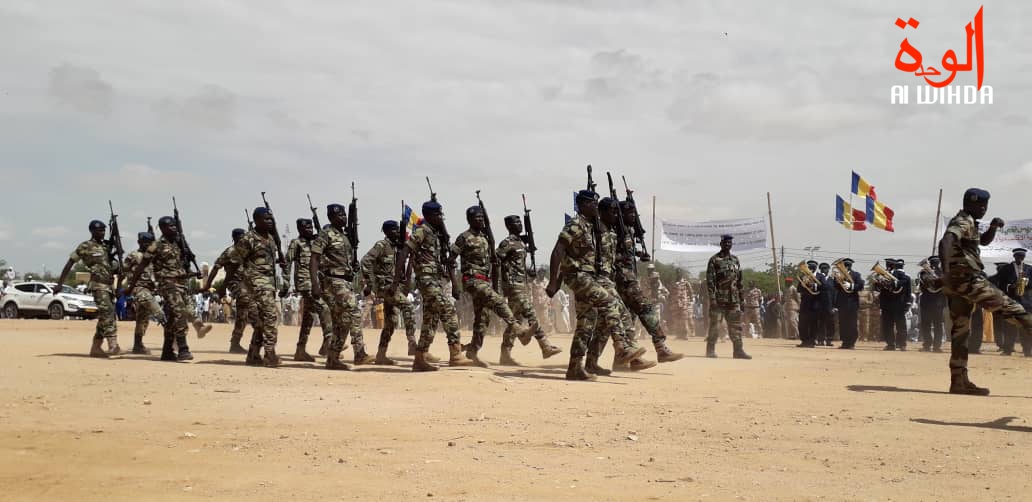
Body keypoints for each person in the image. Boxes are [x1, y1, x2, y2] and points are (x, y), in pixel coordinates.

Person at [938, 188, 1032, 395]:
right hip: (968, 280)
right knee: (1017, 312)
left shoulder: (970, 222)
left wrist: (993, 228)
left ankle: (959, 381)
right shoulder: (963, 221)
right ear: (968, 204)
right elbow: (946, 241)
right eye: (979, 205)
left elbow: (983, 241)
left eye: (985, 205)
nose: (983, 208)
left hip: (957, 284)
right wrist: (946, 272)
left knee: (960, 331)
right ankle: (959, 380)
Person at [545, 190, 642, 381]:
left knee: (586, 323)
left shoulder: (592, 227)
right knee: (609, 302)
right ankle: (621, 347)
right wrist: (553, 281)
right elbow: (558, 251)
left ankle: (574, 368)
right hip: (578, 275)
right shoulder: (575, 224)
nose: (596, 207)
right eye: (592, 204)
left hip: (590, 277)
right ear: (582, 205)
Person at [395, 199, 477, 371]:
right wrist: (397, 280)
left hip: (435, 280)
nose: (441, 217)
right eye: (438, 214)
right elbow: (405, 252)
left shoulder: (434, 233)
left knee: (430, 320)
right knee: (448, 310)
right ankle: (455, 353)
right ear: (429, 215)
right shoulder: (422, 231)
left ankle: (419, 358)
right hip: (426, 280)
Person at [124, 216, 212, 362]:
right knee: (179, 312)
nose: (174, 228)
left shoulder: (178, 244)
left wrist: (192, 273)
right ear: (162, 228)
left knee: (171, 318)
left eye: (174, 225)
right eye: (170, 226)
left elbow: (179, 268)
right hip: (167, 284)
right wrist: (131, 287)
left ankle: (167, 352)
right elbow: (141, 267)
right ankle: (183, 349)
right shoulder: (156, 246)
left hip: (181, 284)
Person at [611, 201, 682, 363]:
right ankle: (661, 348)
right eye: (629, 213)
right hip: (624, 280)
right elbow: (611, 254)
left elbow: (626, 251)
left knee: (628, 319)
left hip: (628, 278)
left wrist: (638, 254)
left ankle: (628, 359)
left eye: (634, 213)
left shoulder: (628, 231)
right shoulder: (616, 231)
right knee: (646, 308)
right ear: (621, 215)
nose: (633, 216)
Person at [360, 220, 440, 365]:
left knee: (391, 322)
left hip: (394, 287)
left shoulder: (396, 247)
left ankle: (381, 354)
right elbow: (365, 261)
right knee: (408, 307)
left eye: (398, 229)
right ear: (387, 231)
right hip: (385, 287)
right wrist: (370, 283)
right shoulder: (381, 245)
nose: (398, 232)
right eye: (395, 230)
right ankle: (412, 343)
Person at [311, 204, 373, 370]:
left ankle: (332, 358)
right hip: (333, 281)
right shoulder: (326, 234)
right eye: (340, 215)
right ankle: (360, 353)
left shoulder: (345, 237)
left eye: (345, 214)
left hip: (345, 281)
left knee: (343, 321)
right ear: (331, 218)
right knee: (354, 311)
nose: (344, 217)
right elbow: (314, 258)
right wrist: (315, 284)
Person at [495, 215, 562, 365]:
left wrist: (527, 271)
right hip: (513, 285)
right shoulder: (507, 243)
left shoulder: (520, 242)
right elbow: (496, 260)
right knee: (531, 313)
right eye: (516, 222)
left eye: (520, 221)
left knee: (516, 320)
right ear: (508, 226)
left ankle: (505, 354)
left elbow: (517, 264)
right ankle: (545, 346)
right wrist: (502, 280)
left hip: (522, 284)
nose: (519, 224)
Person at [225, 208, 287, 367]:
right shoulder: (248, 239)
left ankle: (253, 354)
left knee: (261, 321)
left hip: (269, 284)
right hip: (255, 283)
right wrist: (224, 285)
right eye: (266, 219)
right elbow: (233, 263)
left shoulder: (270, 238)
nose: (270, 222)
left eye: (271, 219)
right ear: (257, 220)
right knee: (271, 316)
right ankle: (270, 354)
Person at [53, 220, 122, 357]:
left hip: (109, 285)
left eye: (104, 230)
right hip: (98, 285)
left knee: (105, 316)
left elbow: (114, 266)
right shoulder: (85, 246)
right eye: (99, 230)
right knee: (107, 312)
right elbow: (69, 264)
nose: (102, 233)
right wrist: (60, 284)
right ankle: (113, 344)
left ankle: (96, 347)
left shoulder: (107, 246)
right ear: (91, 231)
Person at [286, 218, 334, 362]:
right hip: (305, 283)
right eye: (306, 227)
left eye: (311, 226)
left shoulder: (315, 243)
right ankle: (329, 340)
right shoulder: (296, 243)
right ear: (299, 229)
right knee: (323, 308)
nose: (309, 229)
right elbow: (287, 262)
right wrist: (285, 283)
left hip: (315, 282)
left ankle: (300, 350)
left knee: (308, 317)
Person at [704, 234, 751, 359]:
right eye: (725, 243)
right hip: (719, 299)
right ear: (721, 244)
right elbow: (710, 281)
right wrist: (712, 299)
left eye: (729, 243)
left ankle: (738, 351)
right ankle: (710, 350)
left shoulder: (735, 260)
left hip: (733, 300)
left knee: (736, 326)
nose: (727, 245)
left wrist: (742, 300)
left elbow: (740, 282)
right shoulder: (714, 260)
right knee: (715, 326)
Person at [204, 229, 250, 353]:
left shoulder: (248, 251)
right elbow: (216, 267)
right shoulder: (230, 251)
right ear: (234, 238)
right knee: (244, 300)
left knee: (246, 312)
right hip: (234, 282)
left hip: (248, 283)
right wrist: (208, 284)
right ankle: (235, 343)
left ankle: (238, 343)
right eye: (241, 237)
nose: (243, 239)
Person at [123, 231, 163, 354]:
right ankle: (175, 342)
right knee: (159, 312)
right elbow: (123, 270)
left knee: (142, 318)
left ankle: (138, 345)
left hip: (150, 289)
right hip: (138, 288)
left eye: (150, 243)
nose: (148, 245)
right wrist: (124, 287)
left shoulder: (153, 257)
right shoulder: (133, 255)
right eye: (145, 242)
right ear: (139, 242)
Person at [996, 248, 1032, 356]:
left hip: (1026, 303)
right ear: (1014, 257)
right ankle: (1007, 350)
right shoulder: (1006, 269)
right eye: (1018, 257)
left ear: (1024, 257)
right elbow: (1001, 285)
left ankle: (1027, 351)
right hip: (1010, 301)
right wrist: (1011, 286)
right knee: (1009, 327)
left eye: (1022, 257)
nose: (1020, 259)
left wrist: (1027, 283)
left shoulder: (1029, 269)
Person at [917, 256, 947, 352]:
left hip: (928, 302)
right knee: (938, 325)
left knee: (927, 325)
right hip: (938, 303)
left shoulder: (924, 273)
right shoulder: (943, 273)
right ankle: (937, 346)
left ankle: (927, 345)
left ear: (930, 263)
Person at [833, 259, 864, 349]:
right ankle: (845, 342)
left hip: (852, 303)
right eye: (844, 265)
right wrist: (837, 280)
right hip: (842, 302)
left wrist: (851, 286)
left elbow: (861, 285)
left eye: (846, 265)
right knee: (843, 323)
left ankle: (851, 342)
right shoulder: (840, 275)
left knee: (852, 323)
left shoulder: (856, 275)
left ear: (850, 266)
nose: (845, 267)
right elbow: (836, 286)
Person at [796, 260, 821, 347]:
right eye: (807, 268)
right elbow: (798, 289)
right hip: (805, 304)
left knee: (813, 324)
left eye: (810, 268)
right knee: (802, 323)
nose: (808, 270)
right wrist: (803, 284)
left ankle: (812, 341)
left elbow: (825, 287)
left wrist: (814, 286)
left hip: (815, 304)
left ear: (814, 269)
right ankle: (804, 340)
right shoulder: (803, 277)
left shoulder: (820, 276)